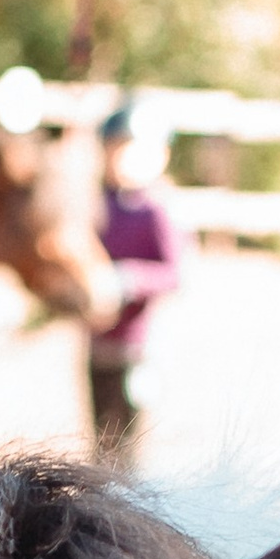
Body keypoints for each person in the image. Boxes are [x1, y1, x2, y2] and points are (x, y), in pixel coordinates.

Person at [86, 103, 181, 462]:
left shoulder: (156, 210)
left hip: (137, 346)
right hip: (98, 341)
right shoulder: (98, 204)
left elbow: (175, 274)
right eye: (117, 151)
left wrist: (128, 278)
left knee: (127, 439)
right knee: (100, 434)